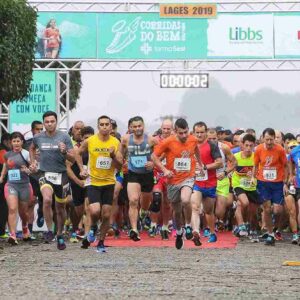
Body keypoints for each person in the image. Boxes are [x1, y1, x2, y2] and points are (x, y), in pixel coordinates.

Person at [152, 118, 204, 249]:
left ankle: (188, 226)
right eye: (180, 133)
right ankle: (179, 232)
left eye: (186, 132)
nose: (184, 135)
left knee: (186, 200)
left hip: (188, 176)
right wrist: (164, 170)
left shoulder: (193, 139)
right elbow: (154, 156)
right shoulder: (168, 141)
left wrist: (200, 164)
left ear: (188, 130)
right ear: (175, 131)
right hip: (173, 179)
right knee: (176, 210)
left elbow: (196, 149)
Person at [75, 116, 123, 253]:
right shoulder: (90, 141)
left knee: (107, 215)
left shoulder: (115, 142)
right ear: (98, 126)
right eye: (101, 124)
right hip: (93, 181)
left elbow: (120, 164)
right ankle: (94, 226)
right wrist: (82, 169)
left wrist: (113, 156)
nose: (104, 127)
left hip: (108, 181)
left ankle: (101, 242)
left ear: (111, 127)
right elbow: (77, 153)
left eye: (107, 124)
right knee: (95, 210)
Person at [29, 111, 74, 250]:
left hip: (61, 175)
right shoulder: (38, 137)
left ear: (56, 122)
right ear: (44, 123)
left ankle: (60, 233)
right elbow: (31, 148)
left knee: (60, 208)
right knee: (47, 200)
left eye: (52, 121)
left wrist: (65, 151)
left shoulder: (64, 137)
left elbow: (72, 158)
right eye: (47, 122)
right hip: (44, 173)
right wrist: (33, 162)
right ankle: (49, 230)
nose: (49, 124)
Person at [121, 116, 157, 241]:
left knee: (145, 205)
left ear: (143, 126)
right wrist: (123, 161)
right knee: (133, 201)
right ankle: (134, 229)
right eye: (135, 126)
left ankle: (144, 212)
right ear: (131, 128)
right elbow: (121, 153)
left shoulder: (151, 140)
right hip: (133, 173)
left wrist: (152, 162)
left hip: (147, 174)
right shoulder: (125, 139)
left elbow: (161, 153)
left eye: (139, 126)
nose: (137, 129)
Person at [251, 128, 288, 245]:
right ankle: (270, 233)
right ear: (263, 138)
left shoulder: (280, 150)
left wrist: (286, 182)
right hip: (263, 182)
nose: (269, 142)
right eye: (267, 140)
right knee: (266, 208)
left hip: (277, 183)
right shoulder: (259, 149)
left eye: (271, 140)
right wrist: (253, 177)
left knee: (277, 210)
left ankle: (276, 227)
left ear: (274, 139)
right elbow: (255, 165)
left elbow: (286, 166)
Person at [191, 122, 223, 245]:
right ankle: (196, 231)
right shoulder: (190, 145)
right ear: (193, 133)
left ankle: (212, 232)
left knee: (209, 211)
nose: (199, 134)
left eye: (202, 132)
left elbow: (219, 163)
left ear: (206, 132)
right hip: (196, 182)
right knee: (195, 207)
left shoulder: (212, 145)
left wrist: (205, 167)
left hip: (210, 183)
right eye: (197, 132)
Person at [0, 132, 33, 245]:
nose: (16, 143)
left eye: (18, 141)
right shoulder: (7, 154)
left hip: (24, 185)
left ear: (22, 142)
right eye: (14, 141)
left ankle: (24, 227)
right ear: (11, 143)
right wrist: (2, 176)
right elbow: (5, 165)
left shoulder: (27, 154)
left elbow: (33, 169)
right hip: (11, 185)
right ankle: (12, 235)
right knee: (12, 208)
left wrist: (27, 170)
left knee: (23, 212)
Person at [232, 134, 260, 241]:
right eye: (246, 145)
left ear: (254, 146)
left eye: (251, 146)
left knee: (252, 211)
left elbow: (259, 172)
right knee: (243, 203)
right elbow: (230, 168)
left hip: (252, 187)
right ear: (242, 145)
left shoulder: (256, 157)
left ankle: (248, 227)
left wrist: (254, 175)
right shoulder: (236, 157)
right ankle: (241, 225)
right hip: (238, 185)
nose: (248, 148)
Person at [24, 120, 44, 232]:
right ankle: (29, 230)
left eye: (41, 129)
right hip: (31, 177)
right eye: (37, 129)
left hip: (45, 175)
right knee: (31, 202)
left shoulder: (48, 142)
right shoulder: (26, 144)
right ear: (32, 130)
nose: (40, 131)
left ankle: (41, 213)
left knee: (46, 201)